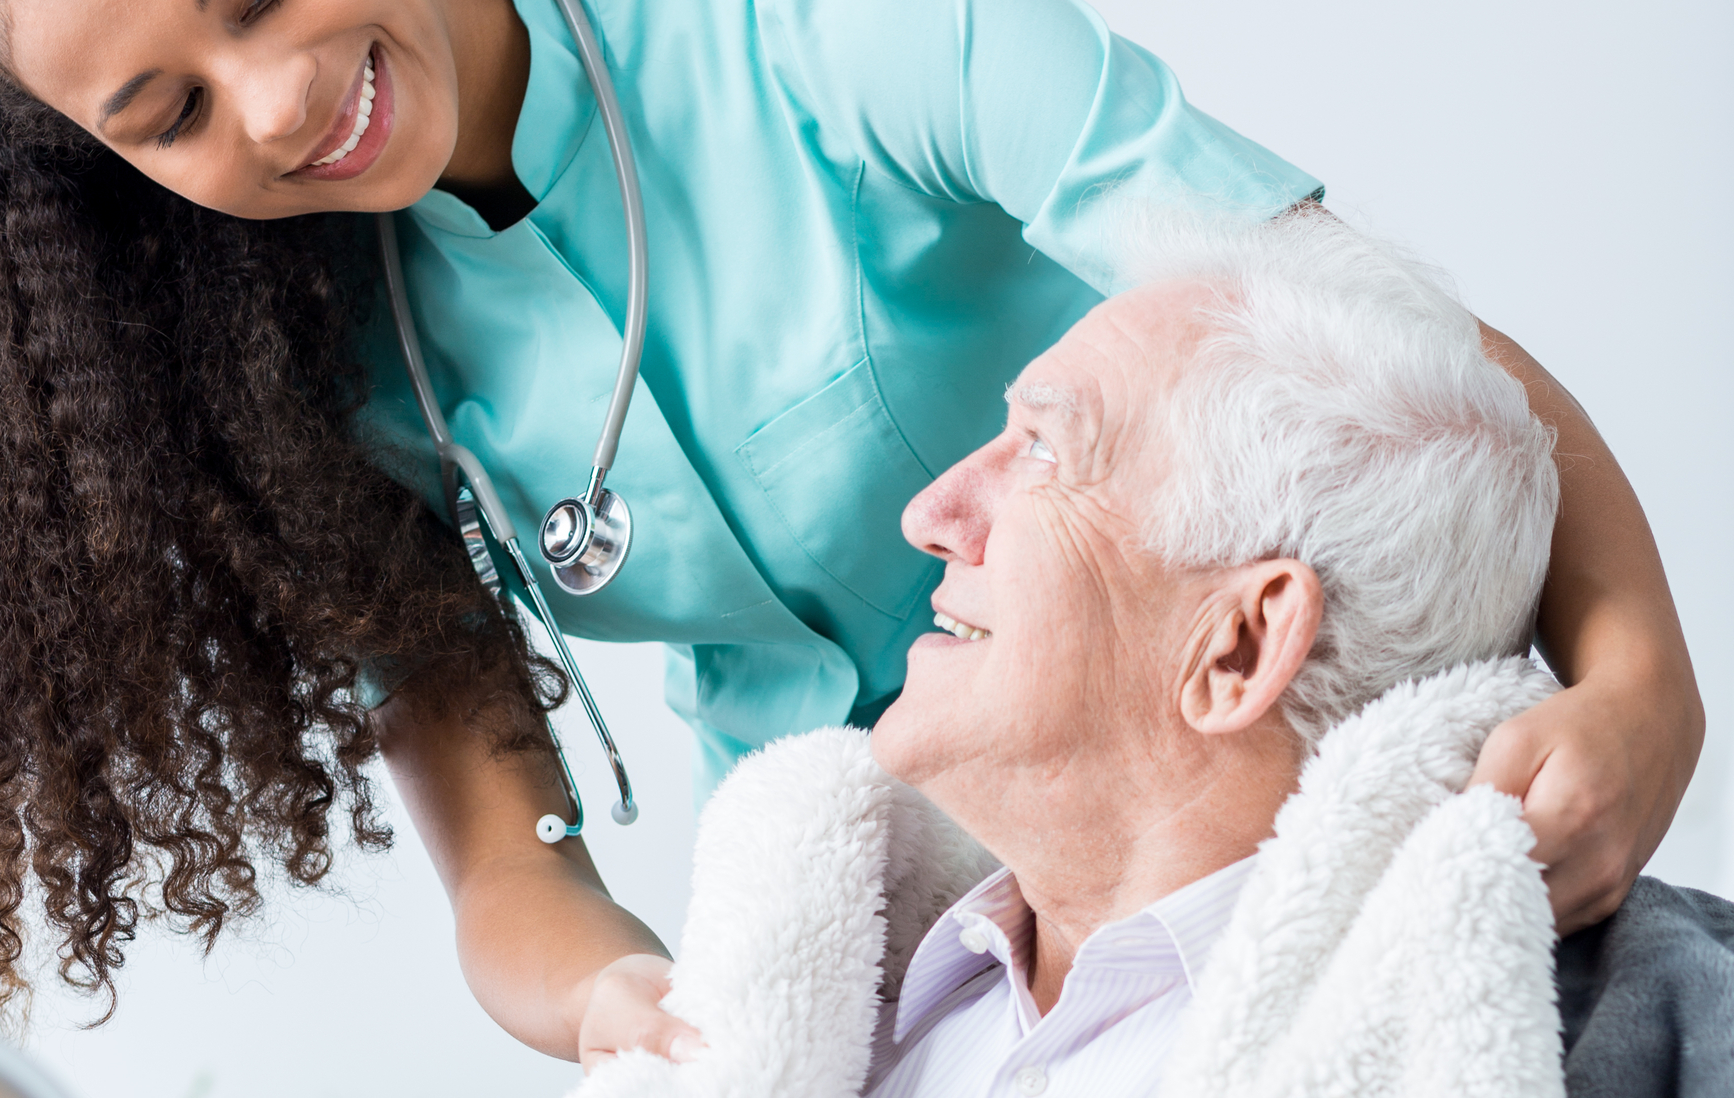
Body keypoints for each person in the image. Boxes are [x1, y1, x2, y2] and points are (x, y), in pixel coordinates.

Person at [0, 0, 1699, 1067]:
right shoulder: (337, 368)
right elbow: (509, 874)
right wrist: (638, 1004)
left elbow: (1382, 340)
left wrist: (1634, 683)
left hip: (1213, 810)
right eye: (159, 111)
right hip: (914, 955)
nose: (266, 105)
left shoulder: (792, 0)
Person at [565, 206, 1734, 1098]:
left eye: (1039, 450)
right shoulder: (820, 1010)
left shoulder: (1618, 1027)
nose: (928, 512)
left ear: (1234, 644)